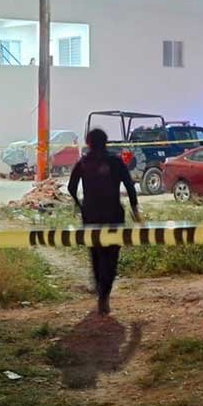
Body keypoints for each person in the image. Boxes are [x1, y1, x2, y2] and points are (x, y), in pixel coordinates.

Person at [67, 128, 141, 315]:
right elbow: (130, 186)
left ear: (88, 142)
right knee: (111, 256)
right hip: (114, 215)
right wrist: (134, 209)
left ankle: (100, 290)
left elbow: (71, 187)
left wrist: (79, 205)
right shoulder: (115, 161)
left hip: (91, 216)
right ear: (106, 142)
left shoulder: (83, 163)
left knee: (96, 254)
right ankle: (104, 295)